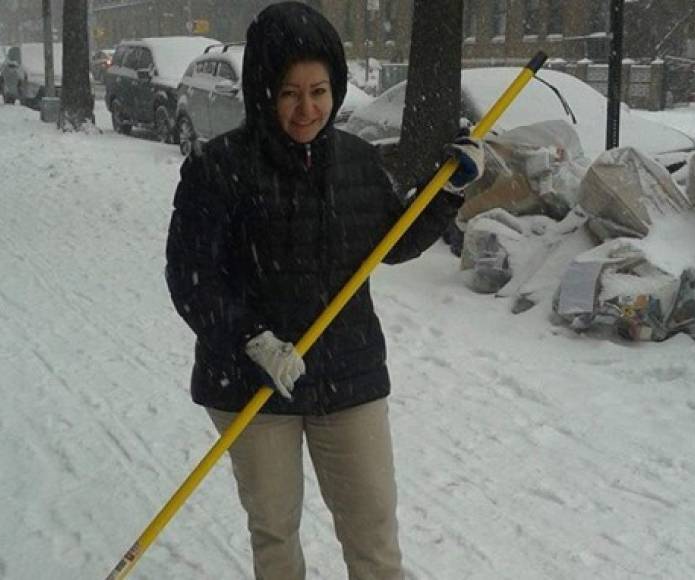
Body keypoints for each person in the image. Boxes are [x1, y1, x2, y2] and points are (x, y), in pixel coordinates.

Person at [165, 3, 484, 579]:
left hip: (348, 372)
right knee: (275, 531)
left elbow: (392, 241)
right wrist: (251, 340)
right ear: (264, 91)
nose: (308, 109)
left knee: (373, 531)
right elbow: (192, 279)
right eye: (290, 93)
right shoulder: (218, 169)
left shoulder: (356, 161)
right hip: (251, 381)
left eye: (320, 90)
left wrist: (447, 191)